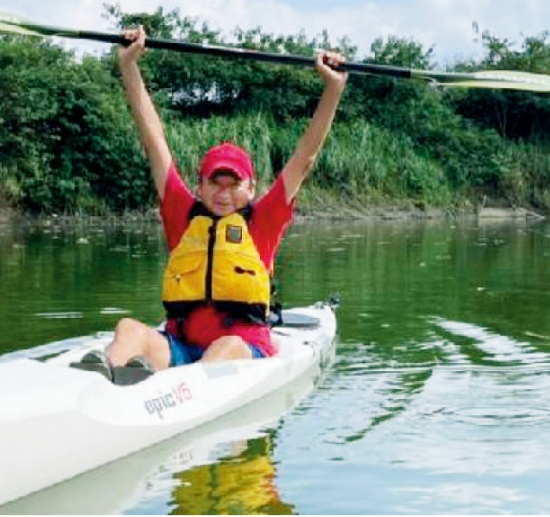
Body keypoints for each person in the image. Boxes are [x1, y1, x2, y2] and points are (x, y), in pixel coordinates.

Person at [75, 25, 348, 382]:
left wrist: (333, 88)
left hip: (242, 348)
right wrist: (129, 66)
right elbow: (153, 138)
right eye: (214, 183)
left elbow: (306, 155)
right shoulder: (182, 213)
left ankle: (171, 393)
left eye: (233, 184)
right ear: (199, 187)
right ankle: (97, 381)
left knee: (226, 346)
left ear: (251, 189)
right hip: (181, 345)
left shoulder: (263, 221)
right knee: (128, 329)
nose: (223, 193)